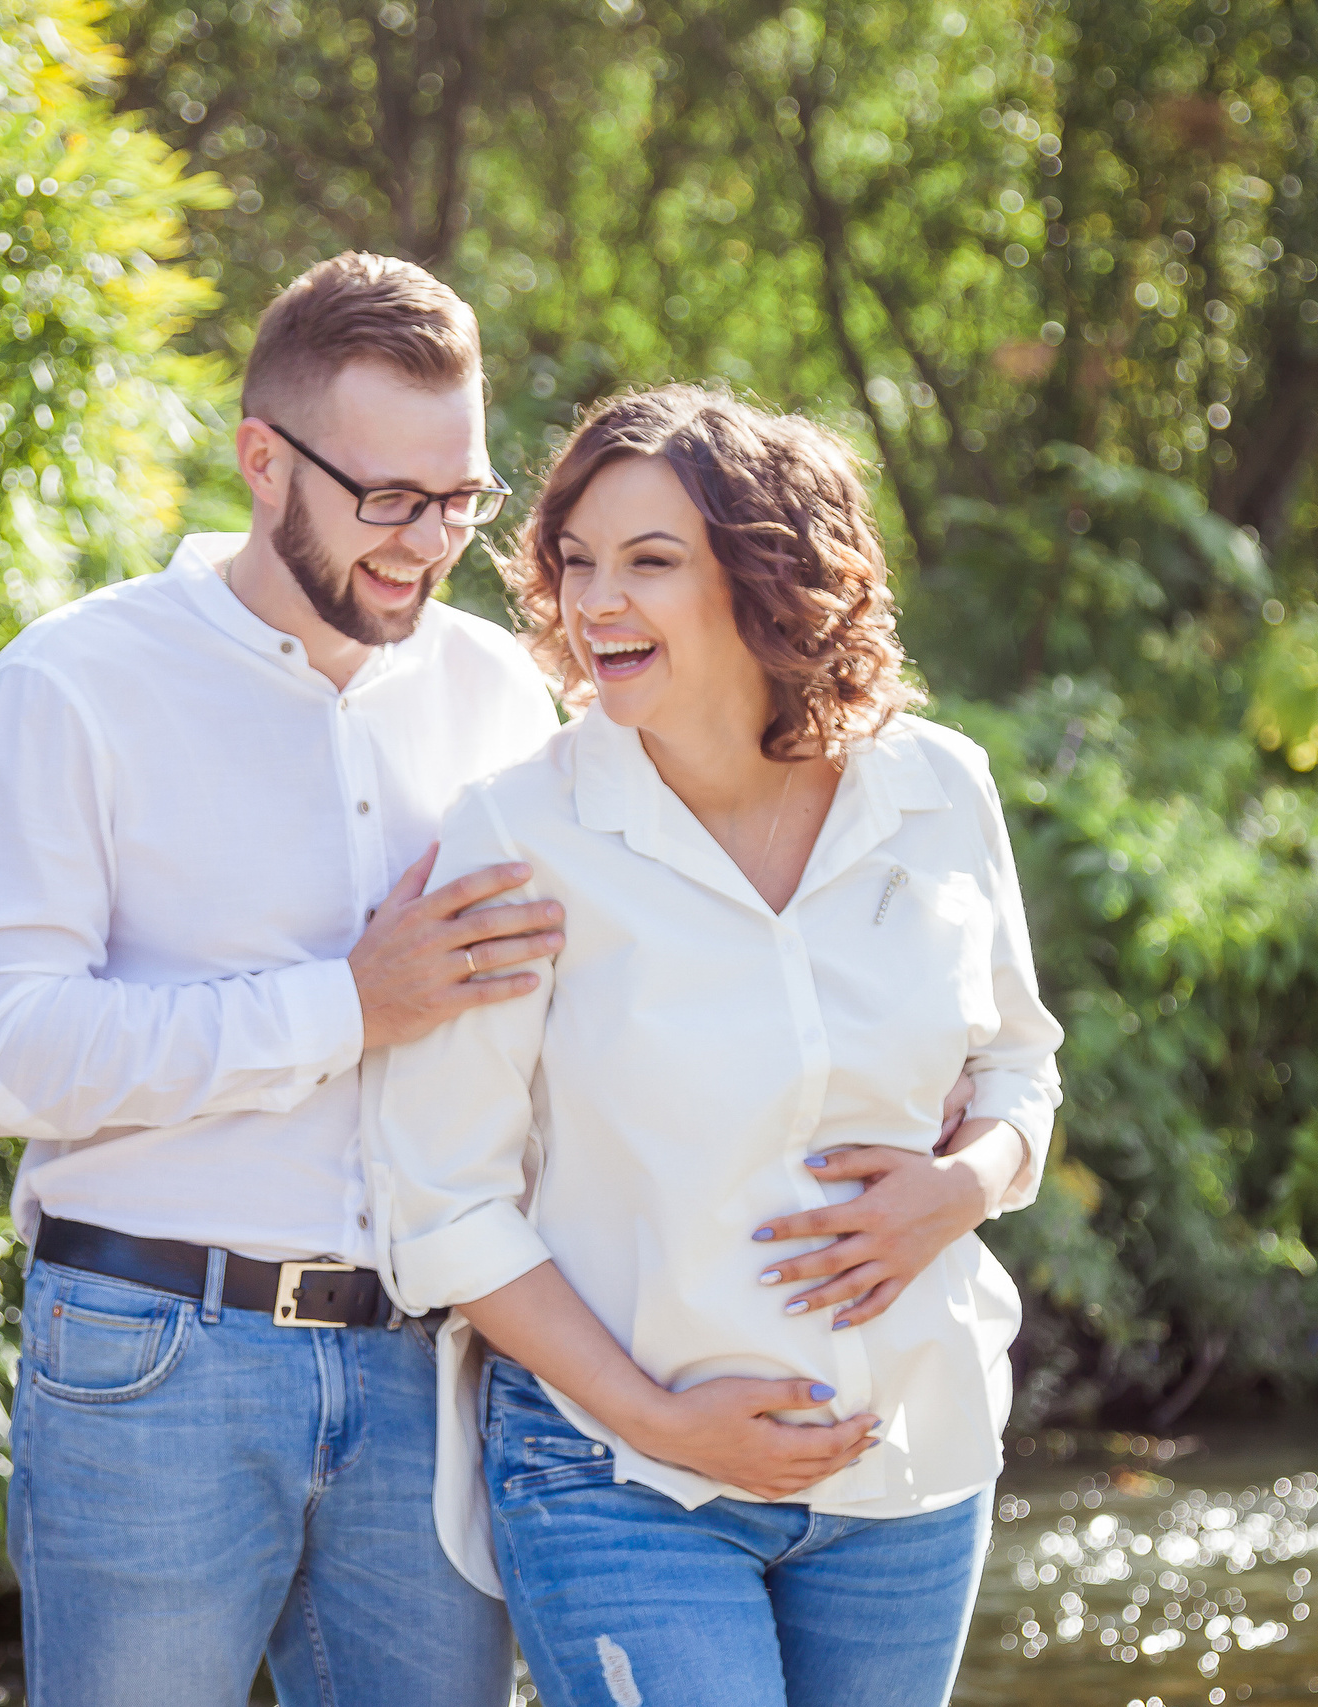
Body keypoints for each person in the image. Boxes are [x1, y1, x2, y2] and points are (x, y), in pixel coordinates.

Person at [0, 257, 1015, 1707]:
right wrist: (349, 1004)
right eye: (390, 500)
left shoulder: (506, 697)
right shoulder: (75, 686)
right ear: (262, 460)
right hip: (161, 1349)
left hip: (425, 1373)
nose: (430, 546)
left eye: (464, 501)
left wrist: (963, 1153)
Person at [372, 386, 1064, 1707]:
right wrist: (658, 1420)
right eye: (575, 563)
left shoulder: (939, 791)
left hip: (910, 1468)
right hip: (618, 1478)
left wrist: (963, 1189)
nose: (594, 604)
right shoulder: (520, 837)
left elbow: (1021, 1069)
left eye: (648, 562)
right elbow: (442, 1200)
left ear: (769, 578)